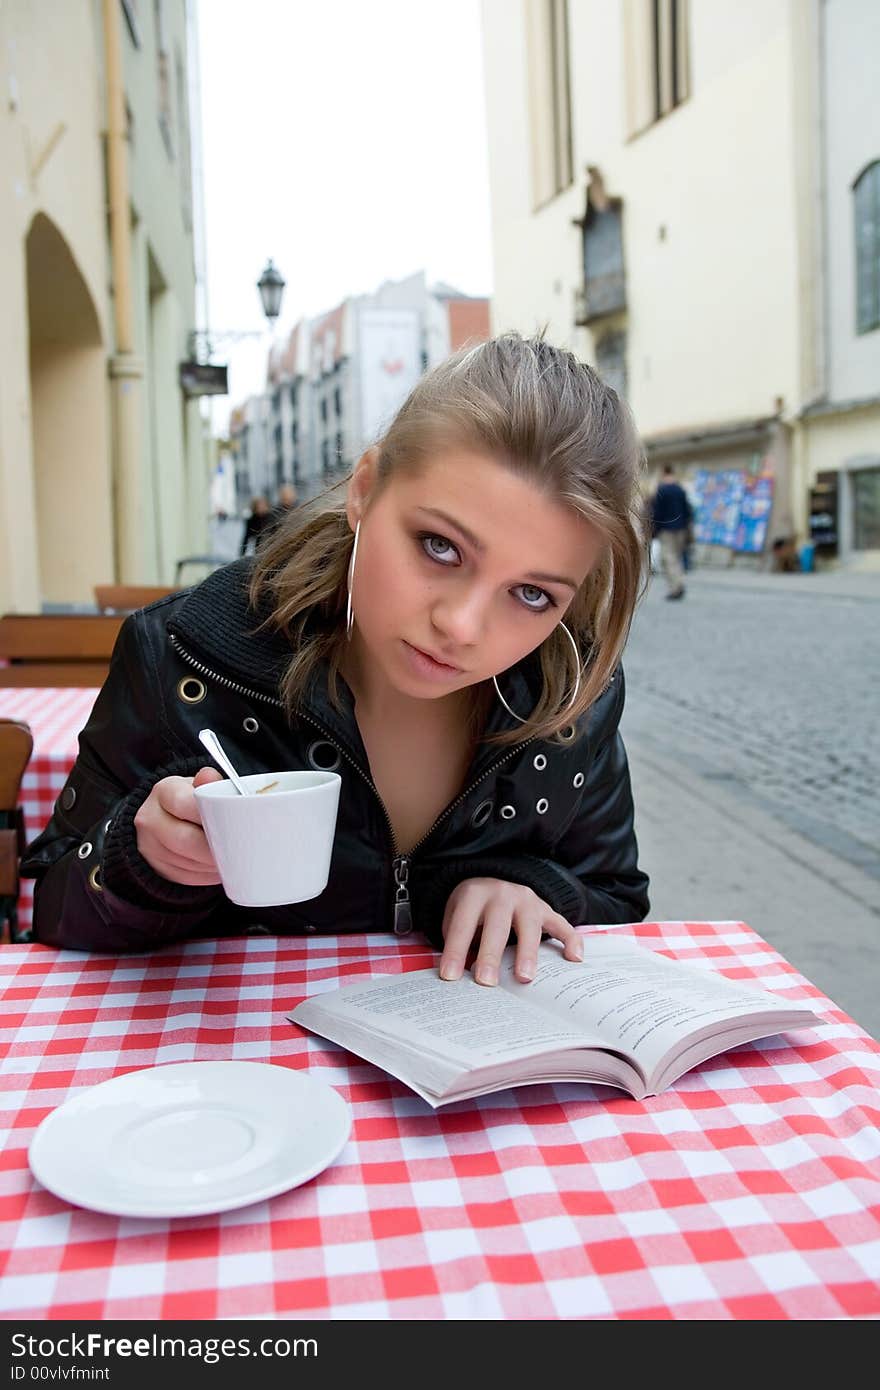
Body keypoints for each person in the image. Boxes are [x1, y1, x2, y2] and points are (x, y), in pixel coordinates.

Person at [22, 334, 650, 989]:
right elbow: (51, 908)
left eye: (532, 594)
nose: (461, 627)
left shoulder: (571, 694)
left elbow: (616, 899)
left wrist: (531, 888)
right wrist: (140, 857)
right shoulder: (186, 656)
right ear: (365, 490)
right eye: (440, 547)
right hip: (227, 1072)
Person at [651, 465, 693, 600]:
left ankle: (675, 587)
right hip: (681, 529)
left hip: (666, 529)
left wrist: (654, 529)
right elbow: (688, 511)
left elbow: (657, 512)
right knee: (677, 557)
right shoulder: (680, 490)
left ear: (664, 474)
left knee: (668, 558)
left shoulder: (662, 489)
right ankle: (679, 583)